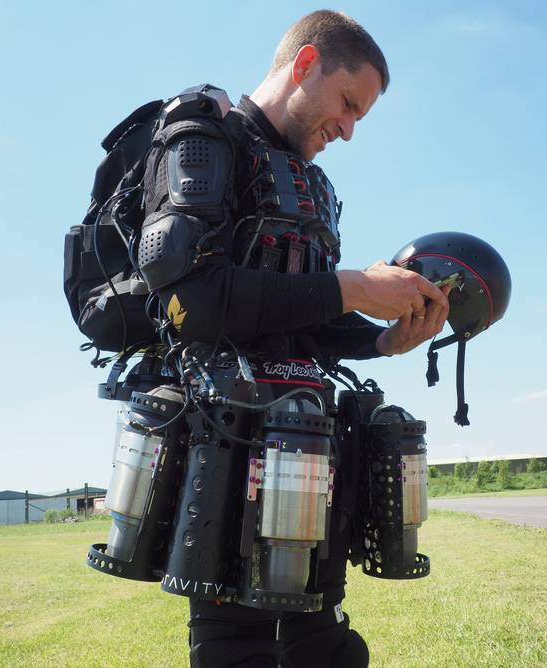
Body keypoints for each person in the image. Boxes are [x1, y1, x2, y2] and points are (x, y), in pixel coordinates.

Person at [135, 10, 450, 667]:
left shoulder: (315, 185)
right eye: (348, 104)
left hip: (308, 447)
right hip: (225, 447)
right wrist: (353, 287)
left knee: (326, 644)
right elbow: (198, 299)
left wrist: (382, 341)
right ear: (305, 64)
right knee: (237, 649)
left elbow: (306, 321)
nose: (349, 129)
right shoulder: (204, 138)